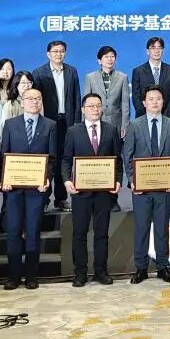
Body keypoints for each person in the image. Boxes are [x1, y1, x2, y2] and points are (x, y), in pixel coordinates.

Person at [122, 85, 170, 284]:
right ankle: (141, 268)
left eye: (158, 98)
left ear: (163, 102)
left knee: (162, 229)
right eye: (151, 99)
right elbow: (128, 155)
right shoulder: (134, 125)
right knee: (141, 228)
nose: (155, 102)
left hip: (164, 187)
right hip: (141, 189)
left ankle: (163, 267)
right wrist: (132, 180)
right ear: (143, 102)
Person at [62, 94, 121, 287]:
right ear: (83, 109)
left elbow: (117, 159)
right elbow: (66, 159)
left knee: (102, 233)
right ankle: (80, 273)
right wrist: (67, 180)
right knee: (79, 233)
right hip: (81, 192)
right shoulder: (73, 131)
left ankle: (101, 272)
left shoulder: (111, 130)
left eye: (98, 106)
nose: (95, 109)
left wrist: (118, 180)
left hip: (104, 192)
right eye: (91, 106)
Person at [1, 88, 56, 290]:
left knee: (33, 232)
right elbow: (3, 154)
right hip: (13, 189)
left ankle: (32, 275)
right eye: (30, 98)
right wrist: (4, 179)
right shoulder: (10, 124)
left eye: (38, 98)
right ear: (22, 102)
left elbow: (52, 157)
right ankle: (13, 276)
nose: (34, 101)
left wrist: (47, 178)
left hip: (36, 189)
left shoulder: (50, 125)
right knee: (13, 232)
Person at [32, 40, 82, 211]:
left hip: (66, 122)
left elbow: (76, 97)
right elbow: (36, 100)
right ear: (48, 54)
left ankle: (61, 198)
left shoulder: (71, 71)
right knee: (47, 159)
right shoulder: (39, 73)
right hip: (47, 122)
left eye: (61, 51)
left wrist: (77, 122)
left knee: (63, 159)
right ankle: (44, 197)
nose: (58, 54)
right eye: (55, 51)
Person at [83, 45, 131, 137]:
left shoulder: (122, 77)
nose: (110, 59)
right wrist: (84, 124)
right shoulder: (90, 77)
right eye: (106, 56)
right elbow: (86, 103)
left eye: (112, 56)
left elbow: (125, 105)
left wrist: (125, 126)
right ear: (99, 61)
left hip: (116, 123)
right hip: (96, 121)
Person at [131, 36, 170, 121]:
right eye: (153, 48)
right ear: (147, 51)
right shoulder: (138, 71)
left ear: (163, 50)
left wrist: (165, 116)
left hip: (166, 118)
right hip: (144, 118)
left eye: (159, 48)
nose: (157, 51)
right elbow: (136, 97)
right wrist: (147, 116)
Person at [0, 70, 37, 140]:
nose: (26, 86)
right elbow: (5, 128)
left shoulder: (37, 102)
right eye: (23, 82)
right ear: (16, 85)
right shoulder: (10, 104)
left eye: (29, 82)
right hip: (16, 141)